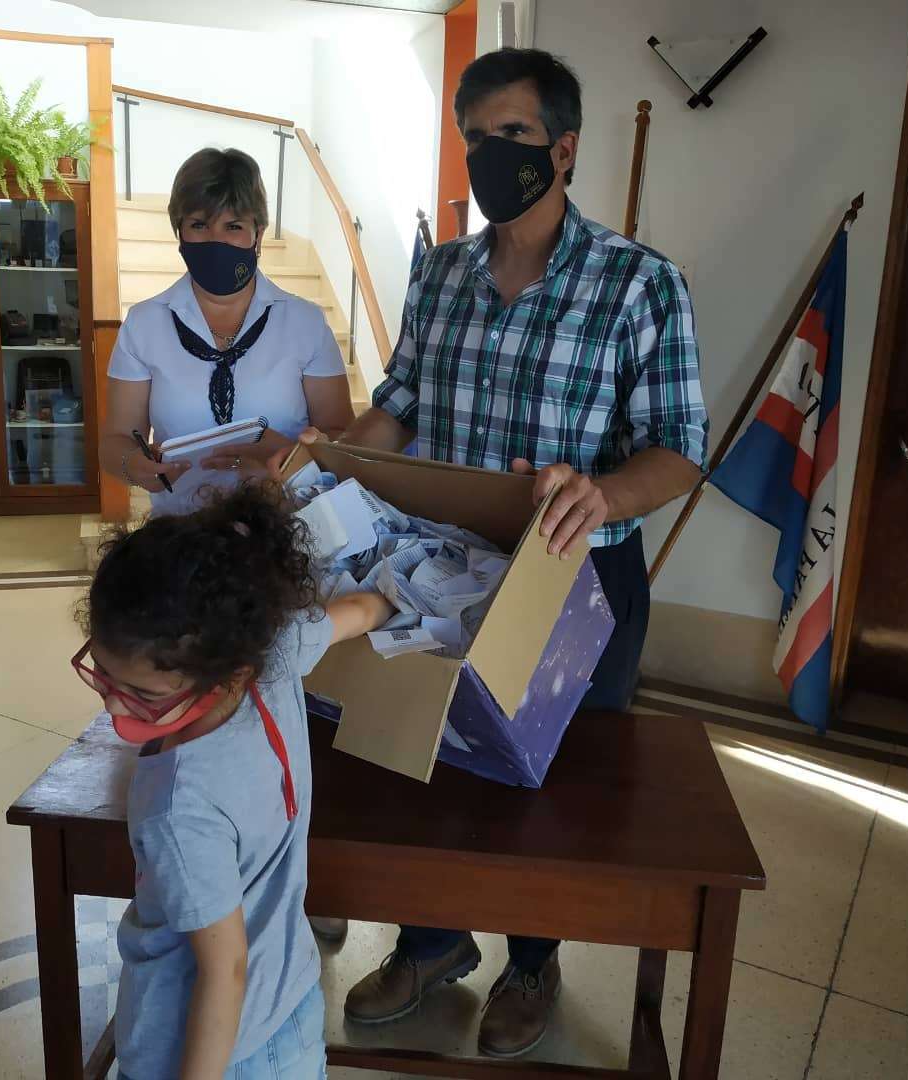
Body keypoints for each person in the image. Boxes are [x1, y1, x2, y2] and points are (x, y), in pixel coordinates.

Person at [304, 48, 709, 1057]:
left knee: (546, 780)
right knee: (424, 754)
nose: (490, 155)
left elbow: (679, 448)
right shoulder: (441, 272)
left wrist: (604, 492)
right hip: (440, 564)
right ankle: (431, 941)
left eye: (513, 136)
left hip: (575, 576)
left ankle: (533, 962)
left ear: (564, 149)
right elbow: (399, 404)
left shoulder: (639, 283)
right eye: (475, 136)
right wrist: (330, 461)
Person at [72, 482, 392, 1080]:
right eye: (103, 675)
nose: (113, 708)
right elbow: (359, 612)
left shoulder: (178, 806)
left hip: (203, 1050)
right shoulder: (273, 652)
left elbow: (224, 970)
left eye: (141, 694)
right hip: (292, 1006)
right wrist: (393, 601)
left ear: (226, 676)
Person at [102, 147, 354, 515]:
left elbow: (341, 437)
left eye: (233, 226)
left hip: (287, 526)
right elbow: (115, 440)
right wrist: (133, 466)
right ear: (179, 232)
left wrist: (292, 457)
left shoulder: (306, 323)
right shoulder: (143, 325)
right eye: (199, 225)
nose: (215, 240)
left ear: (258, 234)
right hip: (182, 530)